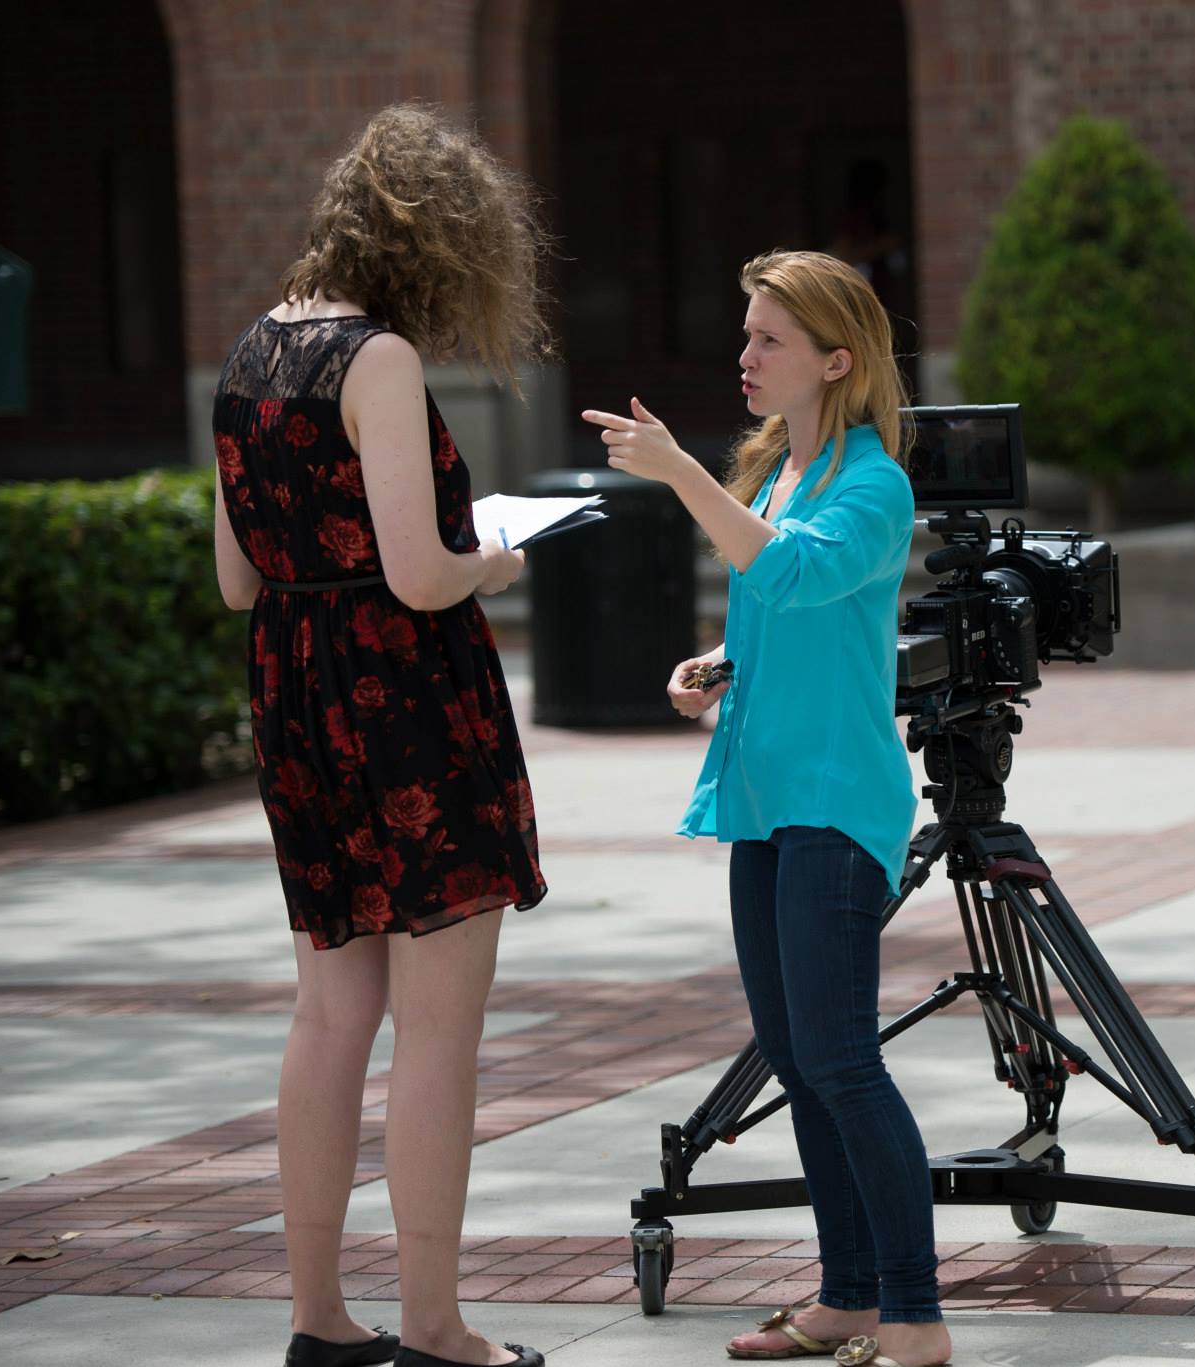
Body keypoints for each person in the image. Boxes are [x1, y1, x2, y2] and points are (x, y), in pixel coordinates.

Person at [209, 104, 550, 1367]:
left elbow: (240, 583)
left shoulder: (249, 353)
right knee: (436, 1030)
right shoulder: (381, 358)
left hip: (292, 696)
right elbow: (417, 573)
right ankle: (435, 1324)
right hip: (408, 703)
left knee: (327, 1014)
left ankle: (316, 1318)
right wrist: (497, 559)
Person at [580, 250, 947, 1367]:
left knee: (841, 1059)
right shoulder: (780, 473)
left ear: (836, 360)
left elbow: (791, 575)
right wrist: (720, 664)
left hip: (836, 804)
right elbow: (783, 611)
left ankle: (914, 1313)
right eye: (745, 334)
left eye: (768, 339)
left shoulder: (874, 483)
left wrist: (682, 475)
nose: (744, 355)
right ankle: (842, 1295)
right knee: (798, 1061)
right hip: (766, 795)